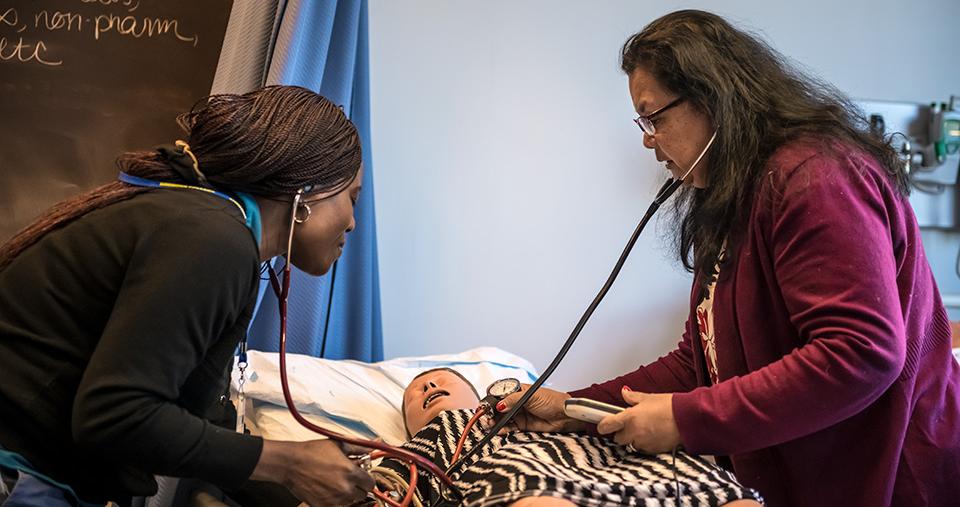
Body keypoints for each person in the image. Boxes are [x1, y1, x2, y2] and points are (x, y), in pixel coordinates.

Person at [498, 10, 960, 506]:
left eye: (655, 118)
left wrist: (685, 419)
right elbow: (701, 364)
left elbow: (861, 352)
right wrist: (575, 408)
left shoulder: (817, 179)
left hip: (895, 480)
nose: (648, 139)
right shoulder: (739, 196)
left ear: (713, 97)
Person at [0, 85, 375, 506]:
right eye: (352, 199)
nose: (352, 224)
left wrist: (317, 481)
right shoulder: (213, 241)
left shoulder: (203, 224)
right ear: (306, 191)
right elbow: (114, 415)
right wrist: (289, 463)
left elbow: (189, 415)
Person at [384, 368, 763, 506]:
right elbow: (386, 489)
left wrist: (571, 410)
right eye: (416, 394)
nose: (430, 384)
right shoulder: (426, 443)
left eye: (441, 378)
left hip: (614, 466)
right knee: (520, 473)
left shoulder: (548, 415)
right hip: (533, 479)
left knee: (691, 473)